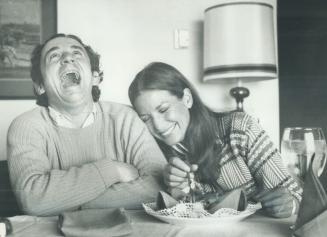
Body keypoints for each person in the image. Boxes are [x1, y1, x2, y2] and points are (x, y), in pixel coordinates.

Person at [7, 34, 167, 216]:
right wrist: (113, 170)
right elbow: (33, 200)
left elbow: (158, 187)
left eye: (77, 53)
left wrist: (64, 202)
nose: (68, 58)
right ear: (40, 85)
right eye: (54, 56)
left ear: (95, 77)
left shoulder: (125, 117)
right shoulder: (26, 126)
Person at [128, 62, 302, 218]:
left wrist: (291, 204)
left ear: (187, 99)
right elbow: (183, 214)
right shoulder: (151, 153)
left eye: (164, 109)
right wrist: (177, 190)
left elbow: (297, 195)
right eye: (145, 119)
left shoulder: (240, 129)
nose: (157, 126)